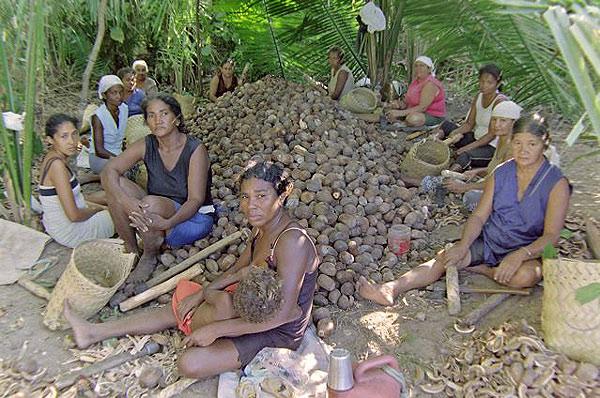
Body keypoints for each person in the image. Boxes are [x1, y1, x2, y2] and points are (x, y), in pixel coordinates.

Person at [65, 161, 320, 380]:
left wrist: (217, 329)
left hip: (277, 329)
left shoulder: (290, 242)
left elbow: (286, 313)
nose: (251, 205)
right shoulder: (261, 227)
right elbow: (238, 268)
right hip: (252, 305)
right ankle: (94, 332)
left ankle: (210, 326)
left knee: (189, 363)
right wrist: (203, 293)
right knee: (185, 305)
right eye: (245, 197)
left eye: (261, 196)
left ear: (282, 196)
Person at [358, 113, 571, 306]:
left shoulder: (555, 183)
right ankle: (392, 288)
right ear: (511, 143)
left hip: (526, 248)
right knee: (448, 258)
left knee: (525, 277)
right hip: (491, 241)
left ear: (545, 144)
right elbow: (479, 216)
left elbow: (552, 236)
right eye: (518, 143)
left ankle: (479, 267)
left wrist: (519, 255)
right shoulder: (502, 172)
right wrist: (463, 245)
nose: (523, 150)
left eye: (532, 144)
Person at [101, 94, 215, 283]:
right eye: (151, 115)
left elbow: (195, 200)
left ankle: (150, 254)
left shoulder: (195, 149)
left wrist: (167, 224)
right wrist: (125, 201)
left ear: (176, 119)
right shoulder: (148, 144)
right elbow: (109, 170)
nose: (157, 120)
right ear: (146, 121)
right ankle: (131, 250)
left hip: (192, 218)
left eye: (164, 114)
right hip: (156, 212)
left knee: (149, 203)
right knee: (115, 187)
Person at [38, 114, 114, 248]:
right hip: (71, 231)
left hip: (54, 222)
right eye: (64, 136)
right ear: (50, 140)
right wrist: (98, 209)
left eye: (74, 134)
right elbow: (74, 216)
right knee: (119, 213)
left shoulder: (53, 156)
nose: (72, 141)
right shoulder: (57, 166)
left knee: (107, 196)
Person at [443, 100, 522, 196]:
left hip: (504, 193)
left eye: (503, 120)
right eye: (494, 119)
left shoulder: (513, 149)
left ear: (514, 123)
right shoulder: (502, 140)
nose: (497, 125)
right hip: (491, 183)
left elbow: (498, 181)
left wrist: (465, 187)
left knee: (471, 197)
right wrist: (476, 171)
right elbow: (493, 170)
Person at [441, 64, 506, 171]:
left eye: (489, 82)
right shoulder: (479, 96)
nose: (484, 85)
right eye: (482, 81)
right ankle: (431, 145)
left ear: (498, 84)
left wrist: (466, 148)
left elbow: (491, 136)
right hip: (476, 139)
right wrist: (455, 134)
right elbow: (469, 124)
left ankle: (446, 176)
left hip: (491, 147)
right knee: (446, 126)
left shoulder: (500, 102)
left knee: (465, 155)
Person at [386, 56, 446, 127]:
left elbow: (422, 107)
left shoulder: (430, 84)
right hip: (415, 111)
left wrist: (400, 113)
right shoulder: (416, 81)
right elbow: (407, 101)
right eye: (416, 66)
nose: (418, 68)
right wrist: (399, 104)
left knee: (412, 119)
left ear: (429, 69)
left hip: (432, 115)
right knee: (389, 110)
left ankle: (402, 122)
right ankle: (399, 121)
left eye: (422, 66)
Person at [89, 75, 128, 174]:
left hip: (118, 154)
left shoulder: (124, 109)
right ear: (105, 95)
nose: (118, 96)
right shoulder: (98, 116)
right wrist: (119, 159)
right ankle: (97, 177)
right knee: (123, 171)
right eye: (114, 93)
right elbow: (99, 150)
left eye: (120, 92)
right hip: (102, 158)